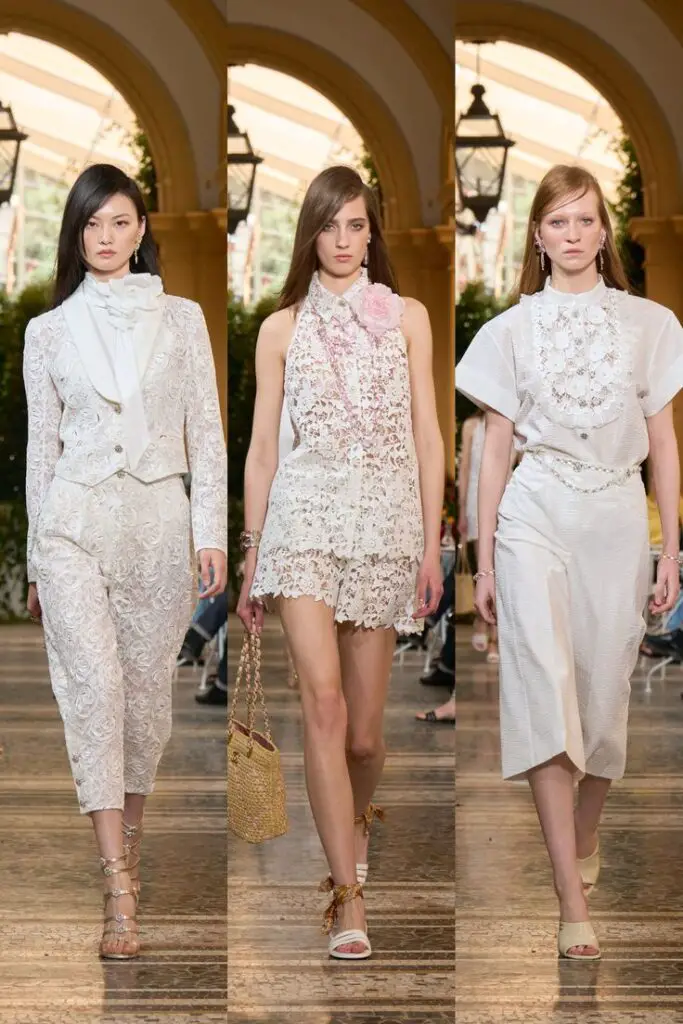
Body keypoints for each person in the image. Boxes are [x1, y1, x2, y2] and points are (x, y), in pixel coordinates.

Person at [456, 164, 683, 961]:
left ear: (603, 230)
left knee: (602, 697)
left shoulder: (650, 325)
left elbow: (663, 444)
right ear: (538, 236)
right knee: (543, 689)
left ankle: (584, 828)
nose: (574, 233)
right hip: (534, 513)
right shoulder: (507, 332)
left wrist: (671, 549)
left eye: (586, 219)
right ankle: (567, 896)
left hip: (616, 515)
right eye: (559, 221)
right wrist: (485, 560)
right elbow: (493, 453)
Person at [236, 165, 444, 960]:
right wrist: (253, 552)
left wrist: (431, 544)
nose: (344, 240)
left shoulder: (408, 318)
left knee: (362, 737)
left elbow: (428, 436)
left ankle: (353, 830)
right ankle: (345, 897)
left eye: (356, 225)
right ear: (310, 236)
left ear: (371, 233)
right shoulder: (280, 329)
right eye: (330, 226)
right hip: (302, 526)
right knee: (320, 706)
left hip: (385, 528)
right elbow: (262, 449)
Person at [23, 164, 227, 960]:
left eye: (119, 221)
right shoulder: (48, 332)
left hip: (158, 526)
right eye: (91, 224)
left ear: (141, 229)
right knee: (97, 692)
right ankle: (116, 890)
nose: (105, 237)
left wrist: (210, 533)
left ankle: (128, 860)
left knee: (144, 704)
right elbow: (42, 452)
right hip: (73, 525)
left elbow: (206, 432)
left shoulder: (183, 320)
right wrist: (36, 561)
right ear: (75, 235)